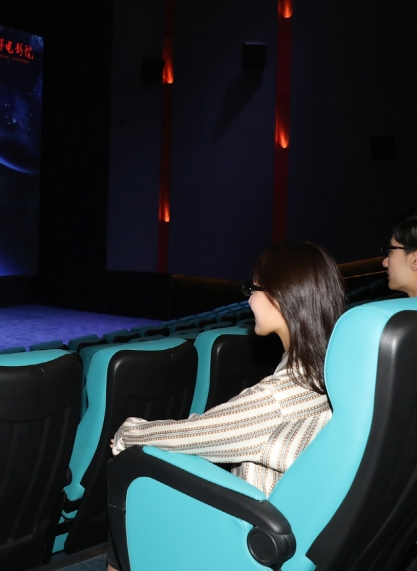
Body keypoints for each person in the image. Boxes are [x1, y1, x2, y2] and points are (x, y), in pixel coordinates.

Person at [105, 241, 346, 571]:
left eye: (253, 288)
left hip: (257, 540)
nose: (248, 300)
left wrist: (129, 433)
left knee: (130, 477)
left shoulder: (280, 396)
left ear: (281, 295)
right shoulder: (334, 372)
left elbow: (195, 435)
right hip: (305, 534)